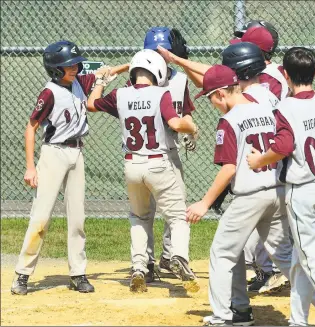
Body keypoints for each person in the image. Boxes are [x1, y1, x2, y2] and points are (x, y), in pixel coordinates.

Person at [247, 47, 315, 326]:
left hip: (302, 190)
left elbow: (283, 147)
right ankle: (298, 320)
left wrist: (258, 158)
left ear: (285, 75)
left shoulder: (286, 107)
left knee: (311, 260)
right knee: (301, 258)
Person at [11, 40, 127, 295]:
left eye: (75, 63)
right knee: (41, 216)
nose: (74, 67)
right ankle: (22, 273)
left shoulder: (78, 83)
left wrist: (131, 64)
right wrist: (30, 167)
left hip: (77, 153)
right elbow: (31, 128)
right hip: (53, 153)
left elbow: (103, 74)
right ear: (55, 69)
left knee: (77, 218)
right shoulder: (49, 93)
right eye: (68, 65)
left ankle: (78, 272)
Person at [186, 65, 293, 326]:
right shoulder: (268, 108)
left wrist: (204, 202)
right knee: (285, 257)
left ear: (222, 93)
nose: (211, 103)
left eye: (211, 97)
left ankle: (224, 316)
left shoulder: (230, 120)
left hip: (250, 195)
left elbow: (230, 167)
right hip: (277, 192)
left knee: (222, 253)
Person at [87, 49, 199, 293]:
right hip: (159, 162)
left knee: (139, 217)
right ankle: (179, 257)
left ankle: (139, 267)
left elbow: (91, 104)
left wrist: (99, 81)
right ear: (157, 71)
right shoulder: (162, 93)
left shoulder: (120, 94)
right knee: (177, 217)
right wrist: (191, 127)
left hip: (132, 164)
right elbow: (175, 123)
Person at [141, 26, 197, 282]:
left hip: (171, 151)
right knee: (146, 210)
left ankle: (169, 256)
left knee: (177, 207)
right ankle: (146, 261)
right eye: (155, 52)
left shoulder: (179, 80)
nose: (160, 57)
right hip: (145, 153)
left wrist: (189, 131)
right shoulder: (137, 80)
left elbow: (185, 110)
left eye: (165, 52)